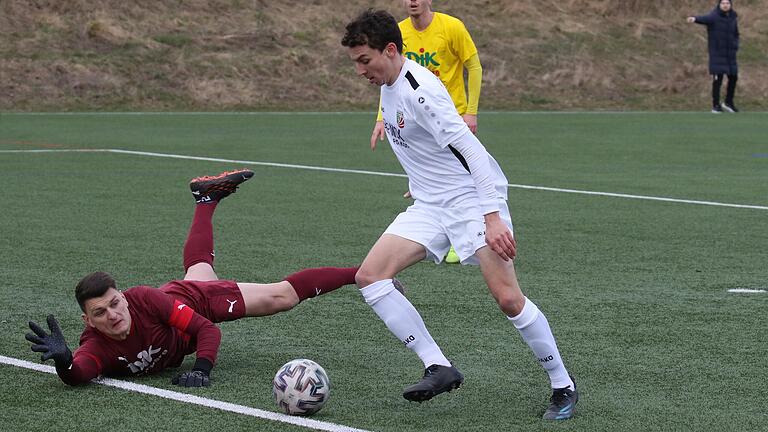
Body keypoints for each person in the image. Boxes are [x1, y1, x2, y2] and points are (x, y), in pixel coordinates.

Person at [342, 10, 578, 420]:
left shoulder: (420, 92)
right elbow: (419, 144)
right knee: (371, 276)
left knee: (508, 299)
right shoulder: (388, 82)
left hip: (472, 200)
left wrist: (491, 217)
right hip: (431, 203)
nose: (361, 70)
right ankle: (438, 365)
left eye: (365, 60)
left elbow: (471, 151)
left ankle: (563, 386)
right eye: (356, 63)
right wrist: (420, 180)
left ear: (391, 50)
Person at [25, 169, 363, 387]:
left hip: (196, 302)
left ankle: (363, 275)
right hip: (184, 294)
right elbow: (80, 373)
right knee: (199, 268)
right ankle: (205, 198)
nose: (112, 314)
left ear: (124, 297)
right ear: (88, 320)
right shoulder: (96, 344)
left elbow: (205, 328)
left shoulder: (143, 299)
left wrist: (202, 368)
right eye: (100, 312)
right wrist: (65, 363)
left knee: (282, 297)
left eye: (114, 303)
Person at [372, 0, 483, 264]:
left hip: (450, 113)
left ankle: (474, 230)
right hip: (413, 115)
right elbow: (390, 79)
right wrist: (380, 117)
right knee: (429, 171)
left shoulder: (451, 27)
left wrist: (471, 111)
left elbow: (474, 66)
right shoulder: (398, 33)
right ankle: (444, 231)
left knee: (466, 169)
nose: (413, 1)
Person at [686, 0, 740, 113]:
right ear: (719, 5)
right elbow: (703, 19)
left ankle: (728, 102)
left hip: (730, 54)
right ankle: (716, 105)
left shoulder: (733, 17)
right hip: (717, 54)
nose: (725, 5)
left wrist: (735, 44)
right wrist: (694, 18)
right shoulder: (714, 16)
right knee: (717, 80)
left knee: (733, 78)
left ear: (730, 5)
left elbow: (736, 33)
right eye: (723, 3)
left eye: (727, 3)